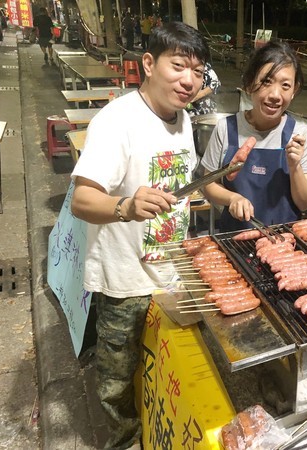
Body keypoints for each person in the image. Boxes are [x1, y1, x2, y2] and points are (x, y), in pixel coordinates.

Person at [70, 22, 210, 450]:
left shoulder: (182, 118)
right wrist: (125, 206)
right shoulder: (117, 121)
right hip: (124, 282)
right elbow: (82, 200)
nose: (189, 80)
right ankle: (124, 441)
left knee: (159, 366)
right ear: (148, 64)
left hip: (171, 271)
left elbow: (183, 181)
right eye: (179, 66)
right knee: (117, 378)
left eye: (198, 71)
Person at [201, 41, 307, 231]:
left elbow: (304, 204)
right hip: (234, 240)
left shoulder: (301, 135)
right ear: (249, 84)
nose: (275, 94)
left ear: (294, 90)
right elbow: (208, 184)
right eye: (266, 81)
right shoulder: (226, 128)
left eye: (285, 85)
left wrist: (295, 166)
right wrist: (232, 198)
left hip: (284, 244)